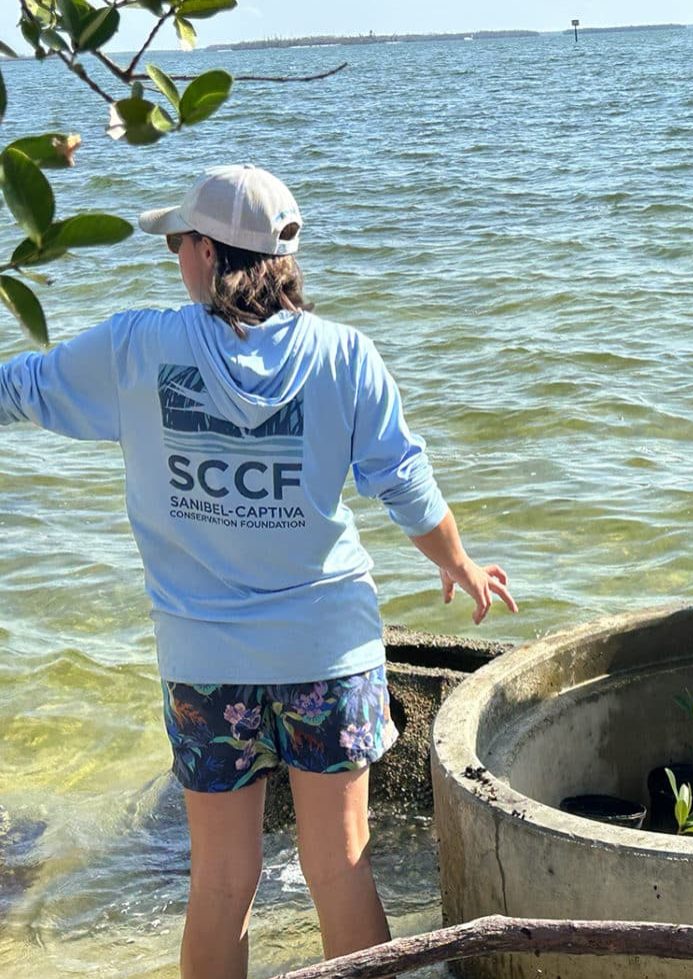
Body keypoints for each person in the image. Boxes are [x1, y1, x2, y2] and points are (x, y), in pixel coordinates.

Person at [0, 165, 517, 978]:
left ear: (206, 252)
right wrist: (458, 565)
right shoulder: (345, 355)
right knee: (339, 867)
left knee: (221, 881)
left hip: (206, 667)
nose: (175, 257)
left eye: (177, 243)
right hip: (327, 651)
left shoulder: (139, 346)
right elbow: (405, 483)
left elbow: (18, 389)